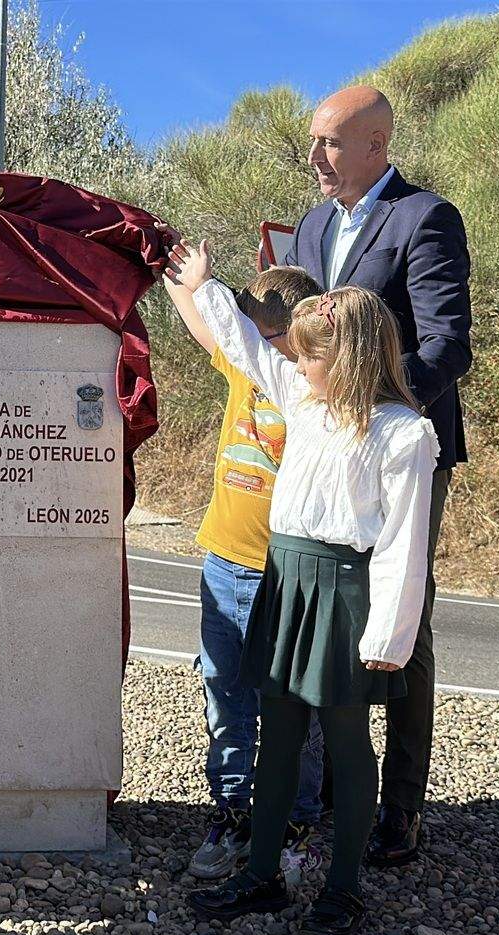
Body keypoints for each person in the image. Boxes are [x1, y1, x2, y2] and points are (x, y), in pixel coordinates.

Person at [171, 238, 438, 935]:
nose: (295, 361)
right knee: (279, 735)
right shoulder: (303, 395)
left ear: (347, 358)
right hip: (286, 583)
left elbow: (405, 547)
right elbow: (245, 346)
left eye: (310, 353)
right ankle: (262, 873)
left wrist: (388, 637)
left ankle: (343, 889)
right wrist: (203, 285)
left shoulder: (403, 434)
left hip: (341, 592)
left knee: (347, 743)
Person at [276, 85, 473, 867]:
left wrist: (377, 412)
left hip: (396, 446)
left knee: (400, 616)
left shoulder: (425, 218)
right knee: (329, 609)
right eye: (314, 141)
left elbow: (447, 345)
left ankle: (401, 806)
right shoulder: (314, 224)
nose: (316, 157)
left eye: (330, 142)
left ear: (377, 144)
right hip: (325, 449)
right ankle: (333, 790)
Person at [162, 265, 330, 880]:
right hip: (227, 559)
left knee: (292, 702)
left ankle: (298, 822)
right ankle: (233, 813)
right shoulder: (239, 361)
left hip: (290, 570)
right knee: (226, 691)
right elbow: (200, 315)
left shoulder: (317, 389)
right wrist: (169, 258)